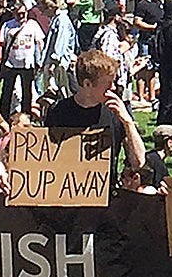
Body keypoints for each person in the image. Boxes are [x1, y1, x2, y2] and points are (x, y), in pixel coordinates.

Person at [42, 50, 148, 186]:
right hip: (66, 193)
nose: (113, 88)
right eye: (108, 83)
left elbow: (138, 161)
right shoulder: (57, 112)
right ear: (87, 84)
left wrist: (128, 123)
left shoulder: (115, 113)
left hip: (104, 197)